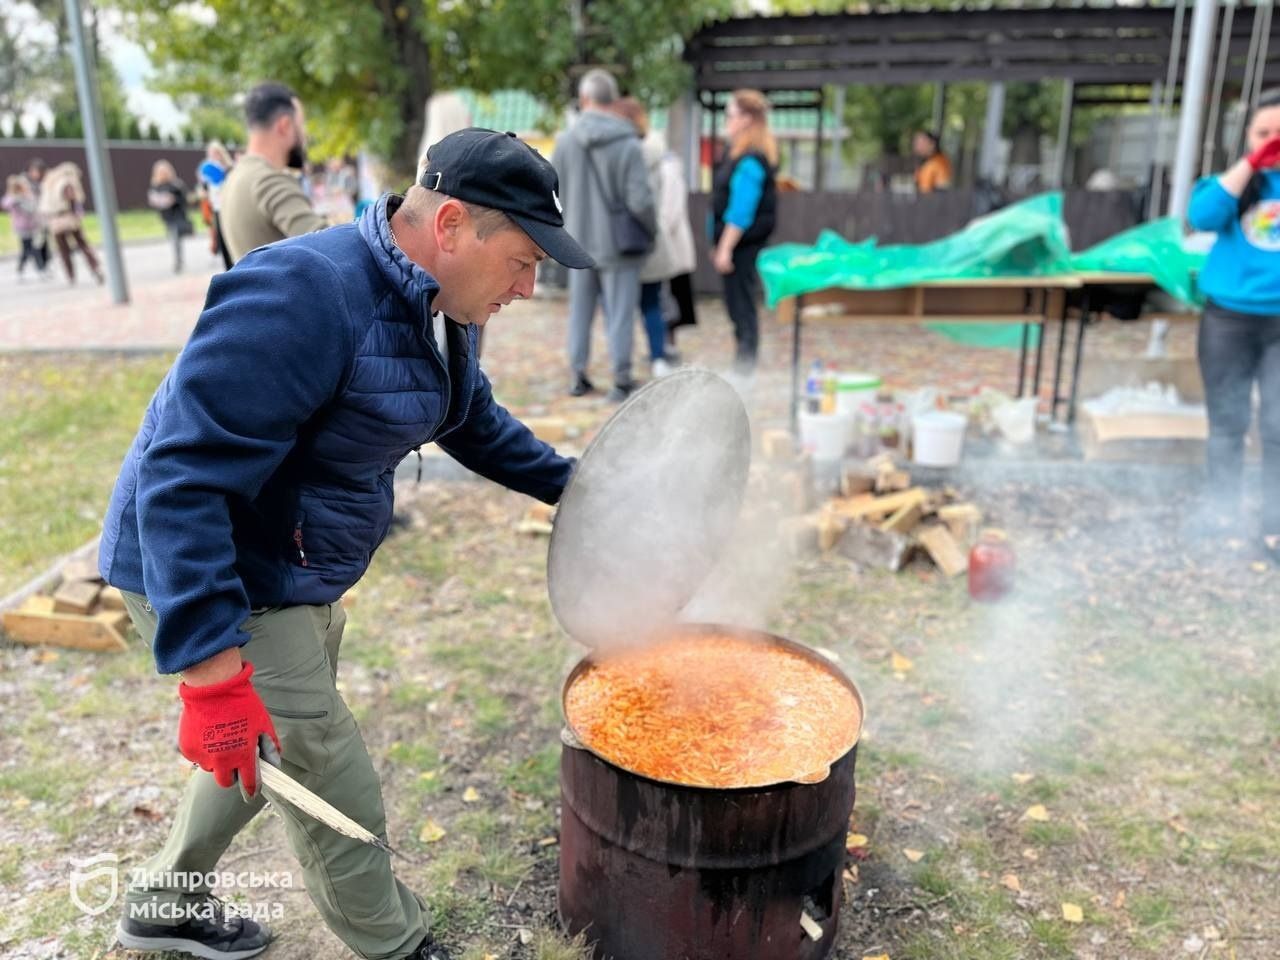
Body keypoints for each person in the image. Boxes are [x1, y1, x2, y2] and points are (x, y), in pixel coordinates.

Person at [101, 127, 592, 960]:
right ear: (452, 227)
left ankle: (161, 901)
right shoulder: (305, 293)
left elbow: (466, 416)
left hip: (293, 568)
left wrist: (576, 487)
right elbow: (181, 478)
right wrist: (212, 670)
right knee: (330, 767)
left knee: (270, 744)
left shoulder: (439, 304)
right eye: (522, 260)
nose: (529, 286)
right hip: (218, 570)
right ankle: (396, 946)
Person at [1186, 89, 1280, 564]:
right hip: (1229, 319)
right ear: (1248, 136)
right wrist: (1252, 163)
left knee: (1279, 425)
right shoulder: (1230, 184)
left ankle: (1274, 529)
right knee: (1228, 422)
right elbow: (1200, 216)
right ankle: (1222, 516)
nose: (1272, 143)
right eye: (1264, 133)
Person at [552, 68, 656, 402]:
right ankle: (621, 379)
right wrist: (651, 230)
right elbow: (640, 200)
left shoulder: (565, 142)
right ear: (613, 100)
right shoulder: (627, 142)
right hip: (619, 243)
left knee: (579, 311)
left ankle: (577, 375)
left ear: (584, 100)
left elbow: (551, 192)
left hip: (576, 240)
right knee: (621, 312)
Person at [612, 97, 695, 378]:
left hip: (621, 240)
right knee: (651, 303)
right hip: (652, 239)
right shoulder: (657, 155)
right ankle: (658, 356)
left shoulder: (621, 155)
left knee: (620, 308)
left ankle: (622, 363)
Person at [219, 81, 327, 263]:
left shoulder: (235, 177)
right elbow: (330, 247)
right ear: (284, 125)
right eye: (301, 126)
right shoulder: (269, 180)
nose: (304, 136)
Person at [710, 89, 778, 377]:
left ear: (748, 119)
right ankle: (743, 365)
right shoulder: (738, 154)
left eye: (731, 115)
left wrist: (725, 247)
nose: (727, 121)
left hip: (742, 247)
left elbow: (741, 210)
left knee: (742, 309)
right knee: (738, 308)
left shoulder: (750, 160)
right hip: (737, 244)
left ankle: (744, 370)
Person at [38, 161, 103, 285]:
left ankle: (70, 275)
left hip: (54, 220)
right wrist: (77, 212)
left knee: (63, 250)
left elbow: (43, 205)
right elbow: (71, 198)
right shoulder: (66, 182)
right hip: (68, 217)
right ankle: (95, 267)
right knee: (82, 244)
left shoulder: (48, 184)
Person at [147, 160, 194, 273]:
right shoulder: (156, 185)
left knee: (175, 237)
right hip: (166, 216)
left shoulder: (176, 184)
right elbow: (153, 199)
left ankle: (178, 261)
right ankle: (178, 260)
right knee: (173, 237)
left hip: (177, 216)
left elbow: (185, 199)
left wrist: (173, 199)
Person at [2, 174, 47, 279]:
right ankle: (38, 269)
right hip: (21, 228)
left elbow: (34, 209)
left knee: (31, 248)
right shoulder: (13, 199)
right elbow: (6, 204)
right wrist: (16, 198)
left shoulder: (28, 196)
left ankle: (26, 269)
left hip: (33, 226)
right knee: (29, 248)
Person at [197, 140, 234, 268]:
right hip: (216, 208)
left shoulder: (229, 169)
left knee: (231, 238)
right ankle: (227, 268)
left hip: (229, 208)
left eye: (215, 152)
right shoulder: (206, 170)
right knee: (221, 239)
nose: (213, 155)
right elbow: (204, 190)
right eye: (210, 153)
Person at [22, 157, 51, 269]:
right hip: (30, 220)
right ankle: (36, 266)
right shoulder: (24, 183)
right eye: (32, 171)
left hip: (43, 217)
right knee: (32, 244)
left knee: (44, 241)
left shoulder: (45, 182)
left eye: (37, 171)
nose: (34, 173)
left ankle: (44, 264)